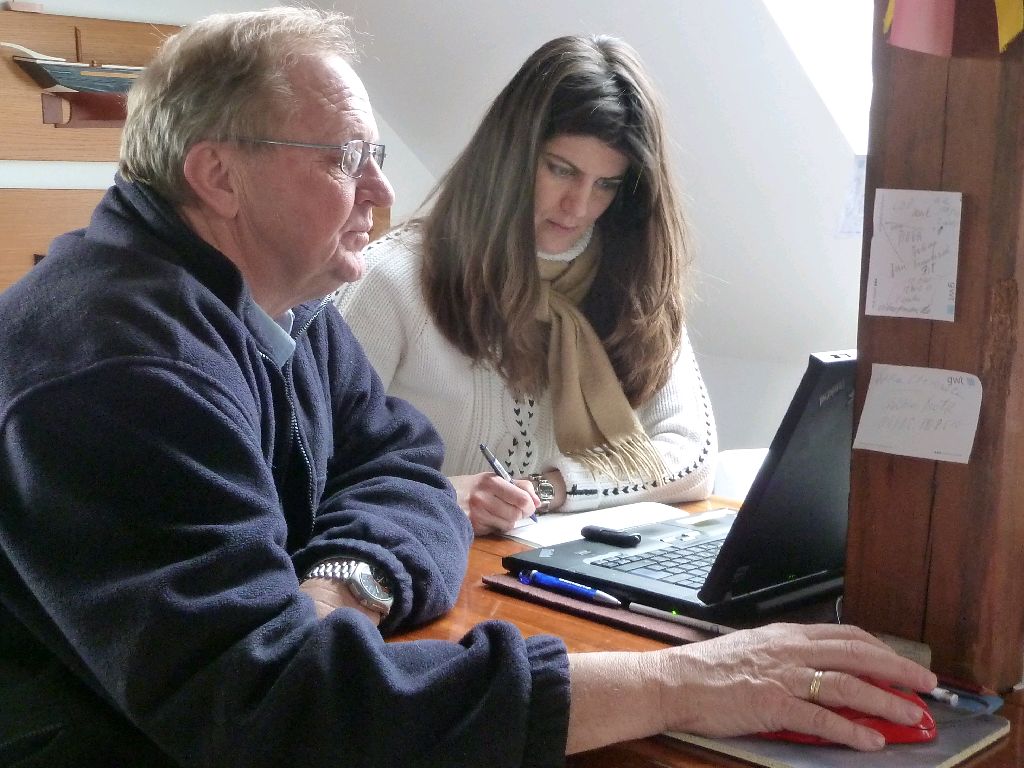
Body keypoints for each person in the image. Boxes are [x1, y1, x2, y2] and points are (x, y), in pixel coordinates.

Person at [0, 8, 937, 767]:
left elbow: (401, 467)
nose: (380, 192)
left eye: (376, 155)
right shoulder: (120, 372)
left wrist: (347, 580)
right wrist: (678, 683)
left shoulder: (281, 302)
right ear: (218, 175)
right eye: (345, 158)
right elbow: (275, 709)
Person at [335, 35, 717, 535]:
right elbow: (315, 467)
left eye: (606, 184)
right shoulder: (391, 277)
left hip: (553, 561)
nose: (578, 206)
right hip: (416, 552)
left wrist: (549, 488)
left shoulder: (635, 281)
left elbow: (692, 459)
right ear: (511, 157)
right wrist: (446, 495)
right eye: (561, 170)